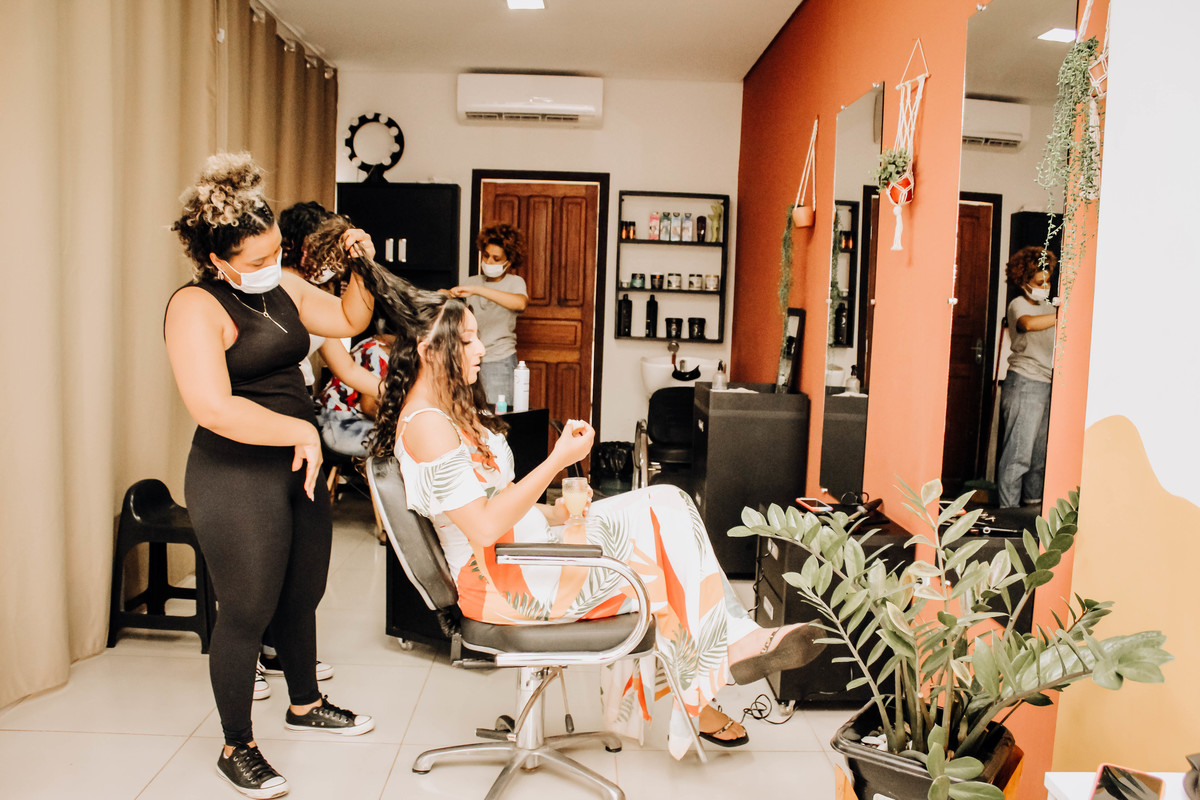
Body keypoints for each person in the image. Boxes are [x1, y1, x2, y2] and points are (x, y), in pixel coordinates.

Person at [367, 288, 825, 758]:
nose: (481, 349)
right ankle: (719, 666)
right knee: (662, 559)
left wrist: (556, 512)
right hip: (507, 581)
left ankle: (722, 659)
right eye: (466, 340)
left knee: (670, 504)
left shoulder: (446, 410)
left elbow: (493, 500)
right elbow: (482, 528)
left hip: (526, 551)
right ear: (427, 349)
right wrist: (556, 460)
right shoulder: (428, 425)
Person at [165, 153, 375, 799]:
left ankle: (305, 704)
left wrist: (361, 265)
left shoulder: (282, 286)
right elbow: (212, 407)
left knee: (302, 592)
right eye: (256, 259)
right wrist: (301, 431)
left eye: (276, 251)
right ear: (216, 259)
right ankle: (238, 746)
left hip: (295, 464)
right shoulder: (194, 306)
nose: (270, 265)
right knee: (248, 609)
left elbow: (349, 319)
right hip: (235, 472)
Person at [996, 246, 1059, 509]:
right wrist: (1063, 314)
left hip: (1047, 384)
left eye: (1048, 281)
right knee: (1018, 456)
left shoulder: (1049, 307)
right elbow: (1027, 324)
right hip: (1024, 383)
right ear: (1024, 282)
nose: (1045, 287)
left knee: (1038, 459)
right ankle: (1007, 514)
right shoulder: (1018, 305)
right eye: (1039, 282)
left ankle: (1032, 511)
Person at [447, 223, 528, 405]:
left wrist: (477, 290)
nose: (489, 262)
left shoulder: (515, 282)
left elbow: (520, 303)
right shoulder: (471, 281)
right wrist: (445, 294)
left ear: (508, 261)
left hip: (499, 360)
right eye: (486, 256)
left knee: (497, 414)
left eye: (496, 258)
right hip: (468, 359)